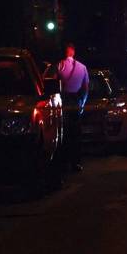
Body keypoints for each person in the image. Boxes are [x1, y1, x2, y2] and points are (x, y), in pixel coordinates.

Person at [56, 43, 90, 172]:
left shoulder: (60, 65)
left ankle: (64, 162)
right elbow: (86, 89)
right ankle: (76, 162)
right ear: (73, 52)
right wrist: (82, 103)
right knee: (76, 133)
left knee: (63, 132)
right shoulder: (82, 67)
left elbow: (54, 84)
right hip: (76, 101)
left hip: (63, 101)